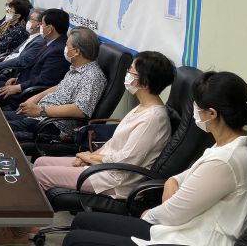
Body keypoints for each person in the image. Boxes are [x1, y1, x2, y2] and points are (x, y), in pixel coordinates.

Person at [63, 71, 247, 246]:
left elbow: (175, 212)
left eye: (196, 106)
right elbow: (180, 180)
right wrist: (172, 182)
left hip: (195, 239)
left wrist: (147, 215)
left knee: (76, 239)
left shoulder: (226, 160)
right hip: (182, 230)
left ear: (212, 113)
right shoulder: (231, 144)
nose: (194, 111)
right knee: (82, 220)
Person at [33, 51, 175, 198]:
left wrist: (89, 159)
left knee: (39, 174)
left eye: (131, 71)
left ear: (144, 82)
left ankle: (33, 216)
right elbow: (113, 144)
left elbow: (126, 160)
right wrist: (88, 157)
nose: (127, 74)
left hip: (114, 180)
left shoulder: (153, 119)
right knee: (40, 162)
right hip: (103, 167)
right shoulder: (142, 107)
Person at [4, 26, 107, 142]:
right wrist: (35, 98)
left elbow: (81, 110)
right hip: (40, 115)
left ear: (77, 51)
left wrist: (41, 110)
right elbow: (60, 87)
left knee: (1, 128)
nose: (65, 48)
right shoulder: (76, 68)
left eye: (67, 45)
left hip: (52, 126)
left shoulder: (92, 76)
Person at [0, 8, 71, 110]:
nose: (41, 26)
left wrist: (19, 87)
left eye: (42, 24)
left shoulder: (58, 50)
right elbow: (33, 67)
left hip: (29, 93)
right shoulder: (51, 42)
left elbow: (44, 80)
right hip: (24, 82)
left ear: (50, 29)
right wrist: (17, 79)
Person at [0, 9, 45, 76]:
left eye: (31, 19)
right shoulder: (31, 36)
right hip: (4, 63)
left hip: (9, 70)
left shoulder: (38, 41)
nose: (28, 21)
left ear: (39, 24)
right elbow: (15, 52)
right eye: (29, 19)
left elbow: (21, 60)